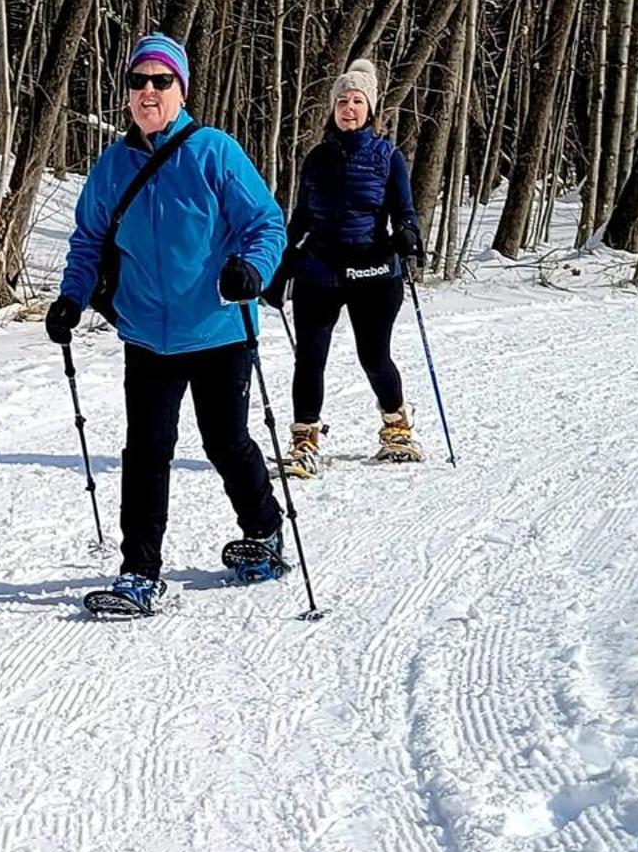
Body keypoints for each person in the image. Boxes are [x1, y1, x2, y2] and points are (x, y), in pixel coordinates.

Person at [47, 33, 288, 604]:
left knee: (225, 441)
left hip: (218, 327)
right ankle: (139, 570)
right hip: (146, 335)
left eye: (161, 81)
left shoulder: (214, 151)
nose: (148, 91)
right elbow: (89, 241)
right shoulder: (112, 165)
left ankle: (264, 529)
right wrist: (70, 299)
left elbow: (267, 224)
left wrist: (252, 270)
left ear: (181, 88)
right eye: (138, 81)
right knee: (147, 448)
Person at [275, 58, 424, 473]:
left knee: (374, 356)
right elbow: (301, 218)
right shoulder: (316, 158)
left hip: (373, 273)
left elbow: (406, 212)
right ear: (333, 108)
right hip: (318, 272)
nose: (349, 108)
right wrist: (282, 264)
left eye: (357, 101)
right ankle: (304, 440)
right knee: (310, 358)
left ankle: (397, 429)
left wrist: (409, 236)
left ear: (370, 109)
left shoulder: (387, 156)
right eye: (342, 100)